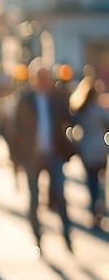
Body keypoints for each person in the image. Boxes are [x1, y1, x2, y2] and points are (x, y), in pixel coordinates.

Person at [12, 58, 76, 254]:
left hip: (54, 153)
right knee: (34, 197)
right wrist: (18, 157)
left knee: (59, 193)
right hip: (33, 157)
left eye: (46, 77)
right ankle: (37, 237)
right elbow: (16, 130)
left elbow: (70, 119)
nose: (44, 81)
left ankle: (66, 233)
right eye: (40, 77)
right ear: (32, 79)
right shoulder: (25, 100)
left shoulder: (56, 99)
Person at [69, 74, 109, 229]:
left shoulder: (80, 111)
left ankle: (94, 210)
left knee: (91, 182)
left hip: (87, 151)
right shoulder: (98, 110)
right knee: (100, 181)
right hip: (100, 150)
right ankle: (100, 207)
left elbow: (72, 127)